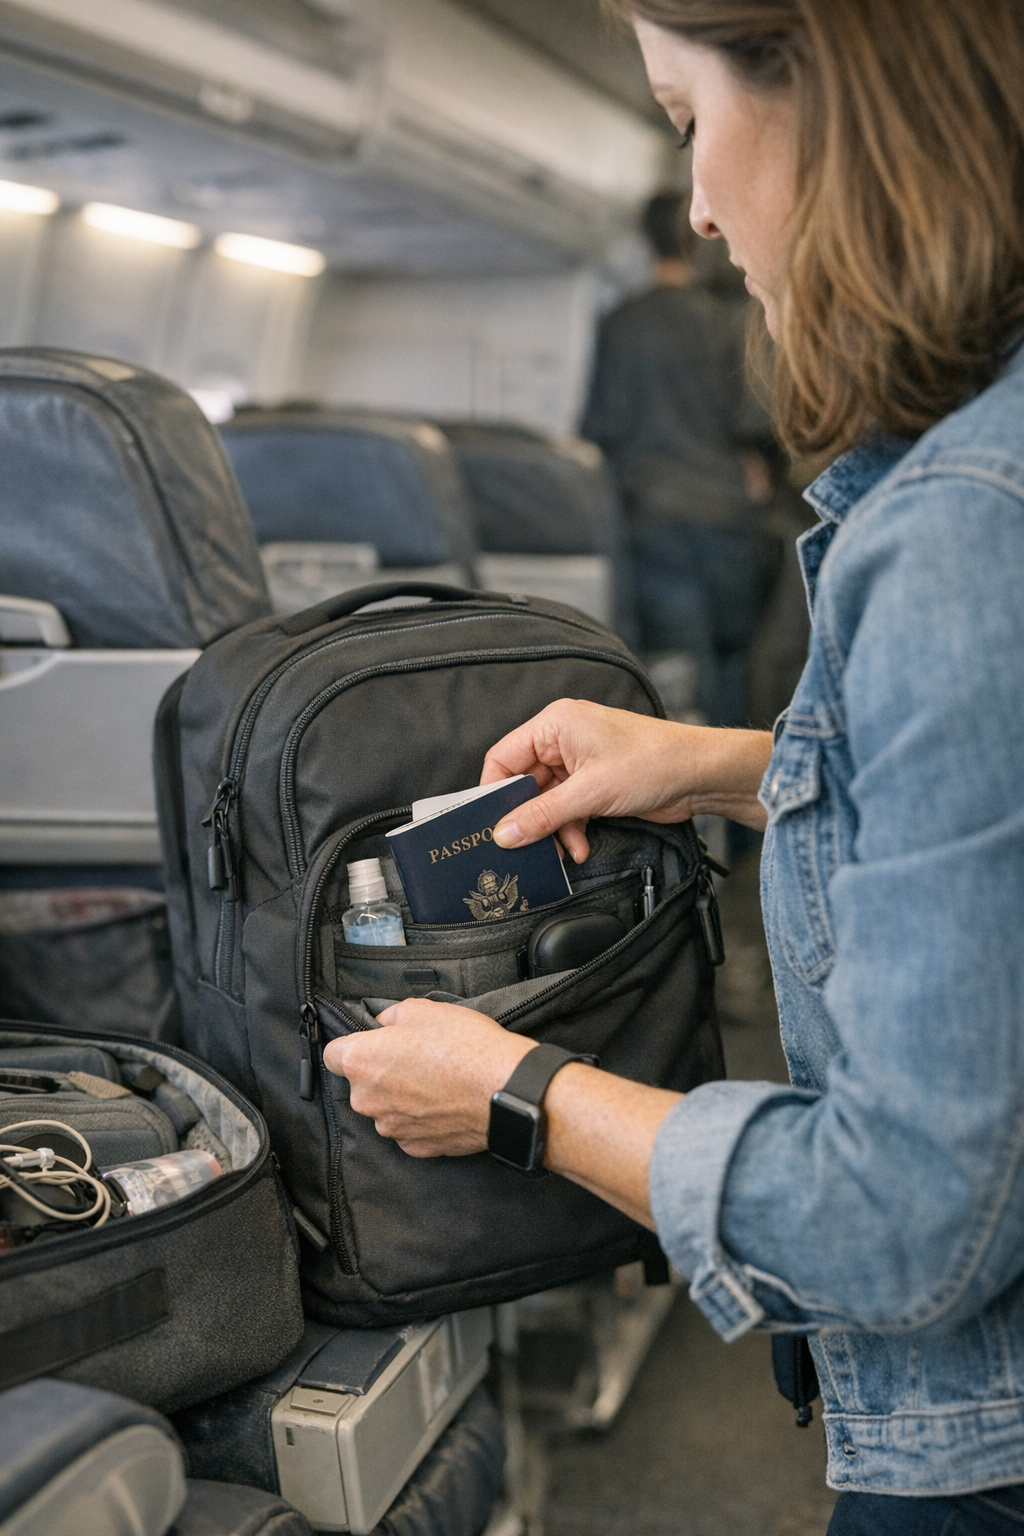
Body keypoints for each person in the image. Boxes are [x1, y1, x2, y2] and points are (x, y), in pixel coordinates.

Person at [325, 2, 1024, 1529]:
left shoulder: (968, 517)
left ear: (837, 100)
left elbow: (908, 1222)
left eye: (688, 117)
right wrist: (710, 764)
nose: (700, 202)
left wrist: (519, 1092)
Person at [582, 188, 774, 729]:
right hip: (728, 521)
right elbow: (753, 424)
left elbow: (596, 432)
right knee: (735, 673)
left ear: (644, 241)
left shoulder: (619, 323)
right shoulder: (731, 320)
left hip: (651, 523)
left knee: (673, 676)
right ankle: (744, 808)